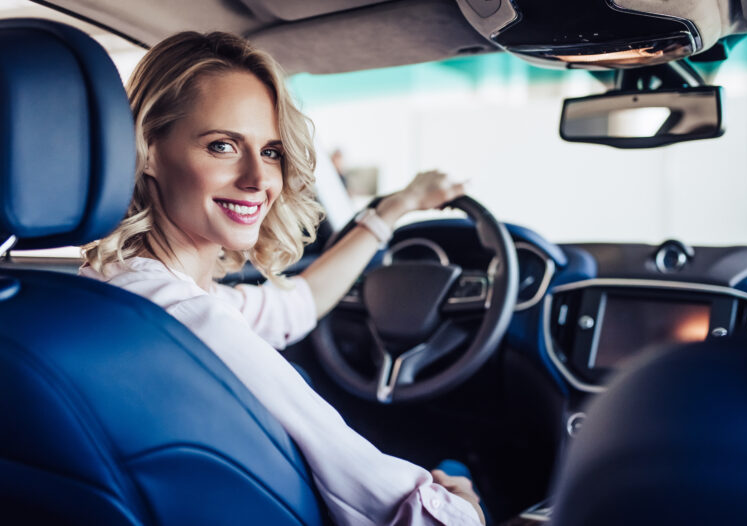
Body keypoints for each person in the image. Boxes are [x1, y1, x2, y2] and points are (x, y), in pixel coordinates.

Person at [80, 31, 483, 526]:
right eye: (222, 146)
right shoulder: (188, 321)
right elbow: (402, 509)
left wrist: (394, 208)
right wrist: (466, 507)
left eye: (271, 151)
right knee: (461, 472)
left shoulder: (113, 293)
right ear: (147, 150)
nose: (259, 179)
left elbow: (297, 305)